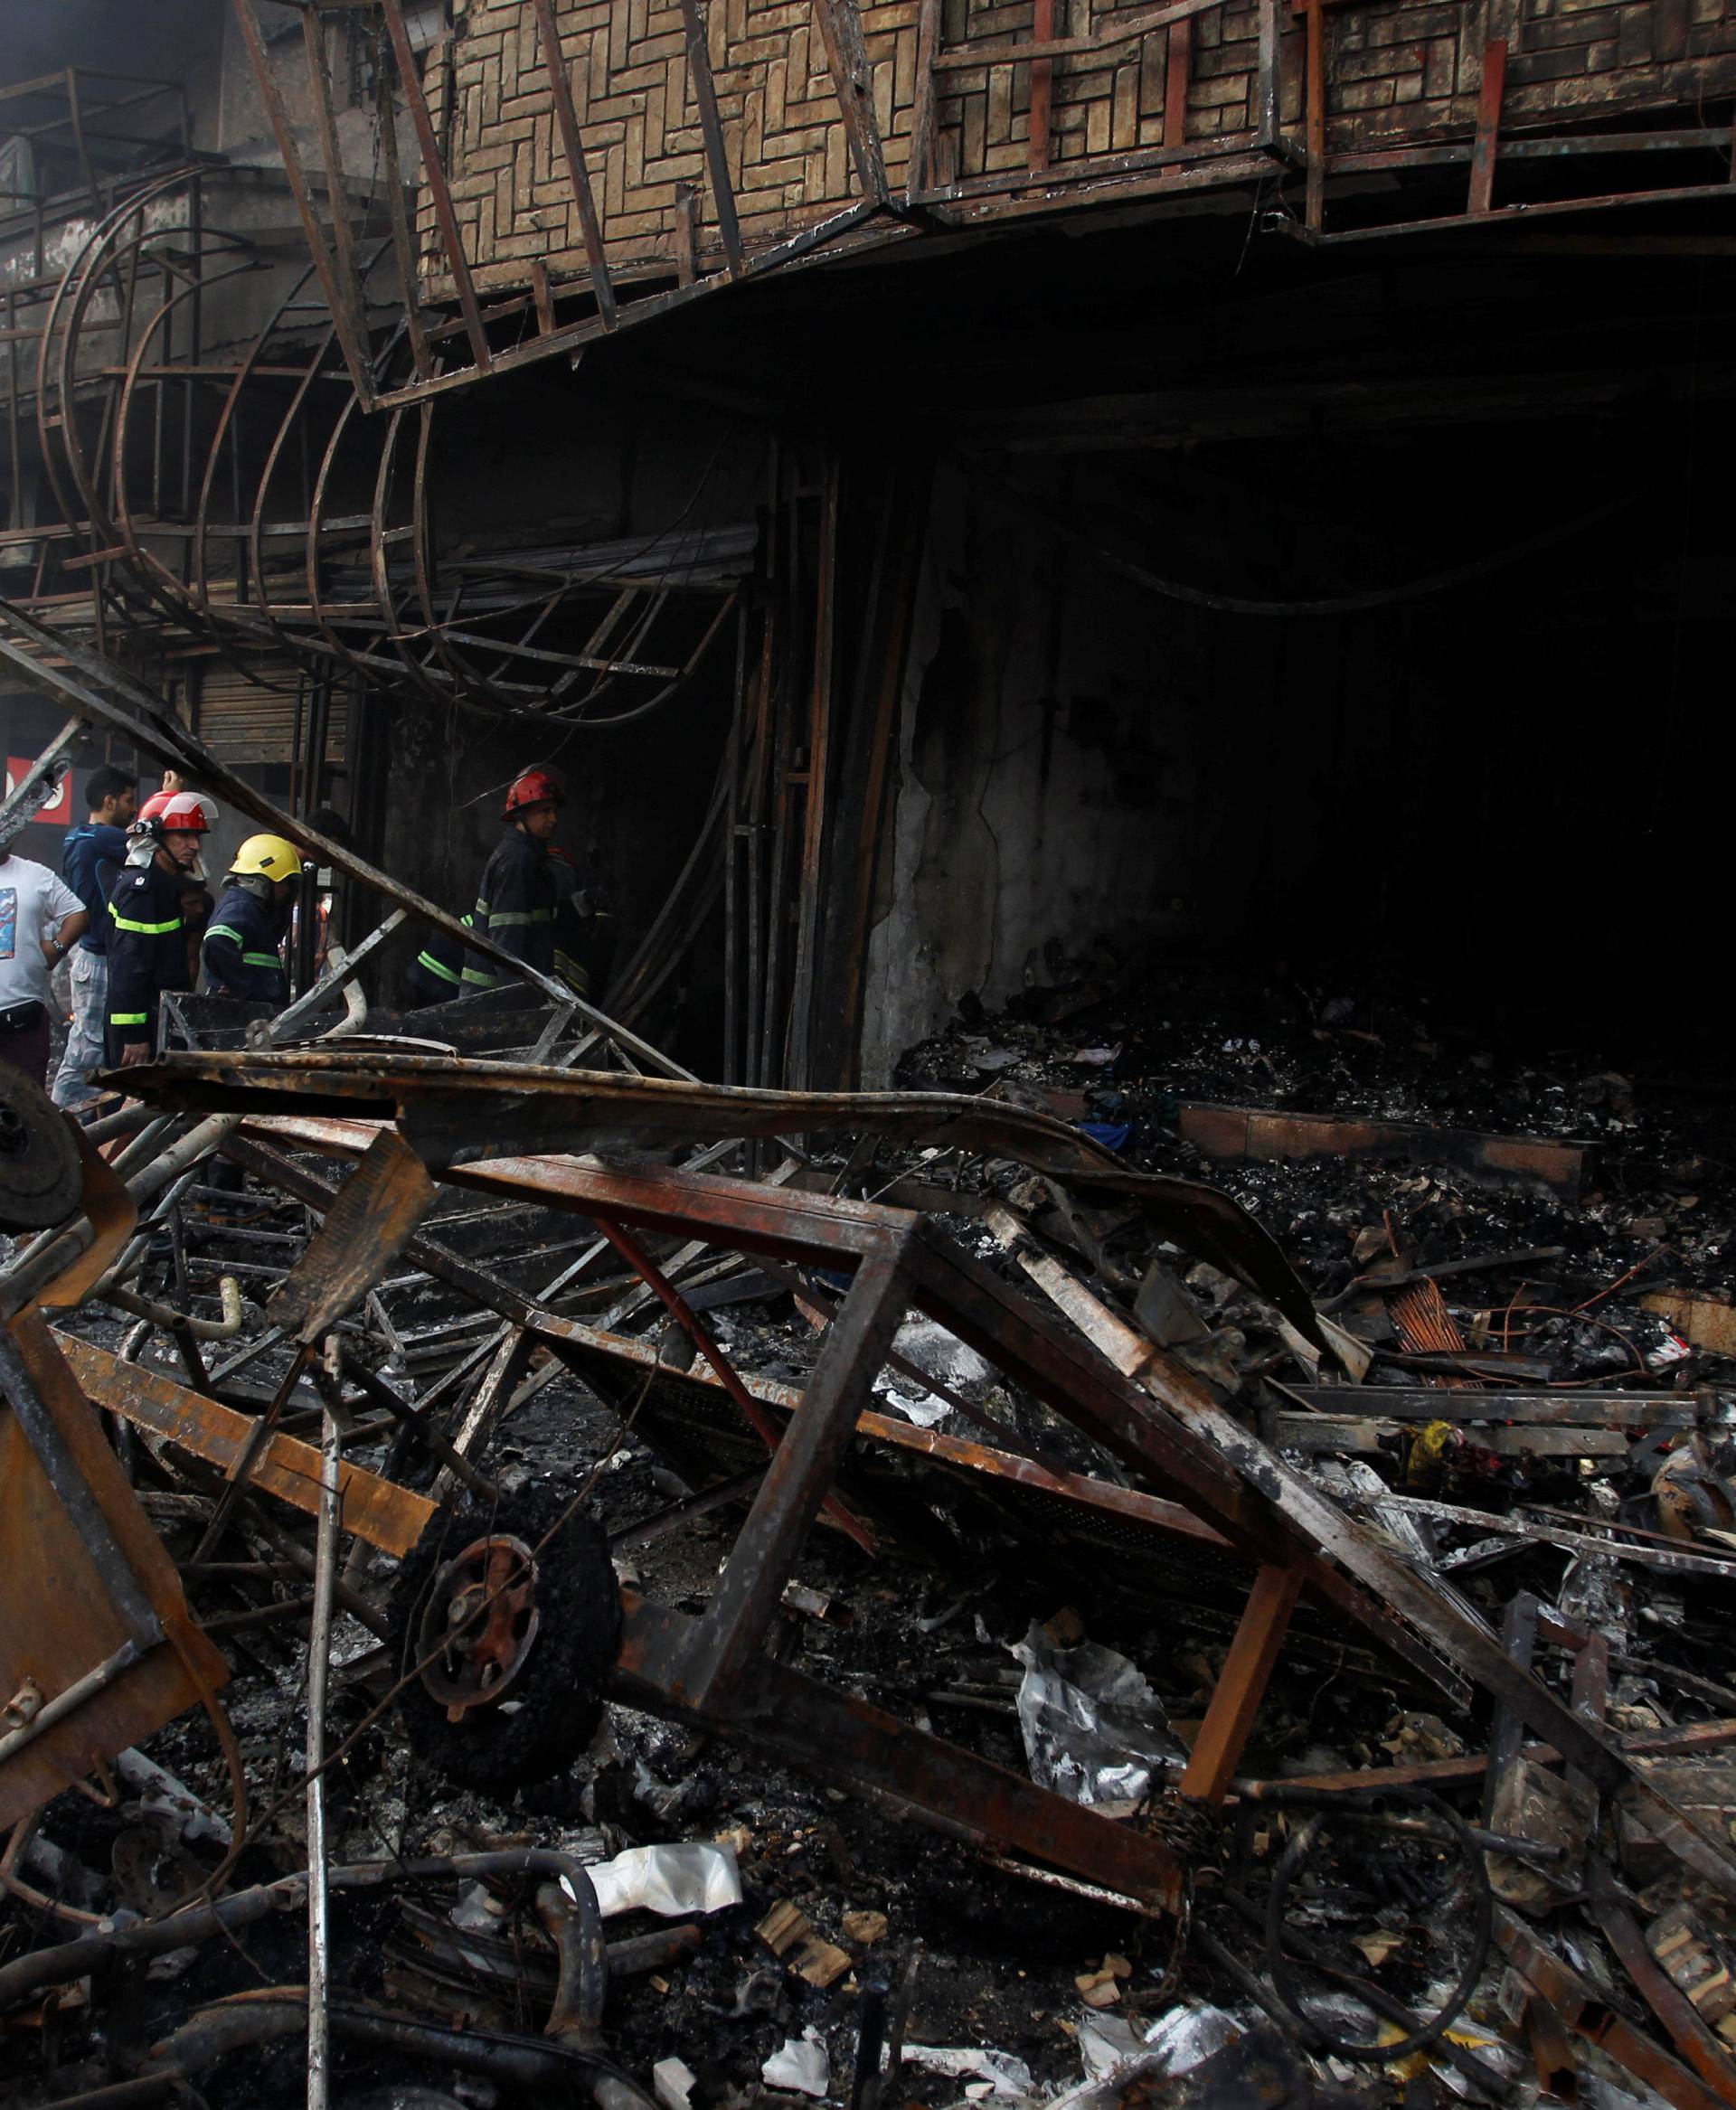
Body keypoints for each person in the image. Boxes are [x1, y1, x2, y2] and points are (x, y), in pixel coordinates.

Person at [50, 764, 138, 1111]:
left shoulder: (79, 836)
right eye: (130, 801)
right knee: (86, 1049)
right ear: (109, 801)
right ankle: (56, 1122)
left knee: (96, 1047)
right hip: (97, 956)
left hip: (96, 956)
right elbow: (153, 846)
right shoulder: (101, 839)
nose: (134, 808)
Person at [105, 792, 214, 1069]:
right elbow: (130, 967)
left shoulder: (164, 885)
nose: (195, 846)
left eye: (197, 837)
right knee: (130, 1107)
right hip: (140, 1029)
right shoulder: (143, 890)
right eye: (184, 836)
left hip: (159, 1019)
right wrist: (133, 1036)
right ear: (155, 837)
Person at [461, 768, 565, 994]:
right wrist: (517, 998)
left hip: (497, 995)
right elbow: (506, 942)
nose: (553, 819)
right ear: (522, 814)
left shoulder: (531, 859)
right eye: (545, 811)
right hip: (494, 999)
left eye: (554, 811)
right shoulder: (517, 862)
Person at [0, 843, 89, 1089]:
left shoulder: (35, 875)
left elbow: (77, 913)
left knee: (27, 1108)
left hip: (22, 1016)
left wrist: (56, 948)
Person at [202, 834, 300, 1004]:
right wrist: (244, 990)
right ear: (262, 882)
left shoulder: (253, 909)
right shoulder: (242, 906)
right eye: (282, 883)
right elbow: (217, 939)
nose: (285, 891)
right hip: (242, 1018)